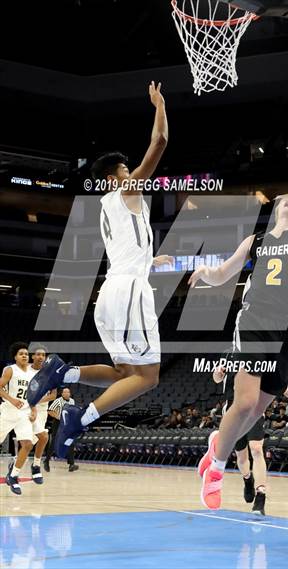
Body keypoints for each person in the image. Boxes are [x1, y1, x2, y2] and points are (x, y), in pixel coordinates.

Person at [190, 91, 288, 510]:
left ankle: (215, 445)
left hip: (285, 334)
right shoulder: (256, 240)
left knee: (253, 412)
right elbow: (223, 273)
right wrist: (204, 274)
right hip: (253, 323)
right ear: (278, 207)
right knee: (242, 403)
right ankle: (217, 470)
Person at [27, 81, 171, 458]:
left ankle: (65, 373)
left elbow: (126, 251)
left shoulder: (108, 205)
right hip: (128, 294)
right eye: (125, 170)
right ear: (114, 177)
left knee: (126, 374)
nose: (130, 174)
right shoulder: (125, 192)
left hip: (111, 293)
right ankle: (82, 417)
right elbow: (160, 144)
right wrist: (160, 106)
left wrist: (151, 261)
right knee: (149, 377)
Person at [211, 362, 267, 515]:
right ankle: (247, 479)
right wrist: (218, 373)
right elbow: (216, 379)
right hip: (233, 408)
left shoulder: (258, 353)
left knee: (256, 449)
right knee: (241, 457)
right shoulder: (228, 355)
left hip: (254, 407)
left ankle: (261, 495)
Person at [0, 342, 37, 494]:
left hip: (24, 413)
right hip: (8, 411)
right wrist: (11, 399)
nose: (24, 356)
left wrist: (34, 409)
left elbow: (33, 395)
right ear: (15, 356)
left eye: (26, 354)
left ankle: (13, 476)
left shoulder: (33, 373)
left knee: (28, 444)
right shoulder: (10, 370)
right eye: (21, 353)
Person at [29, 345, 57, 483]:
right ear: (33, 356)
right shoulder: (26, 371)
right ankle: (36, 465)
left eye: (43, 355)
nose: (41, 357)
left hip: (42, 410)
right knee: (43, 437)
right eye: (38, 354)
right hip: (28, 408)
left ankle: (15, 462)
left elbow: (53, 395)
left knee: (32, 441)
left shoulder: (50, 374)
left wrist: (39, 398)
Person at [45, 388, 79, 472]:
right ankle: (46, 461)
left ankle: (71, 464)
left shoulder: (72, 401)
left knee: (70, 442)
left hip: (67, 424)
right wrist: (60, 417)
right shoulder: (58, 401)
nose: (66, 393)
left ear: (70, 393)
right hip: (58, 423)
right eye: (65, 392)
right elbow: (50, 411)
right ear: (62, 394)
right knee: (54, 443)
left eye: (68, 392)